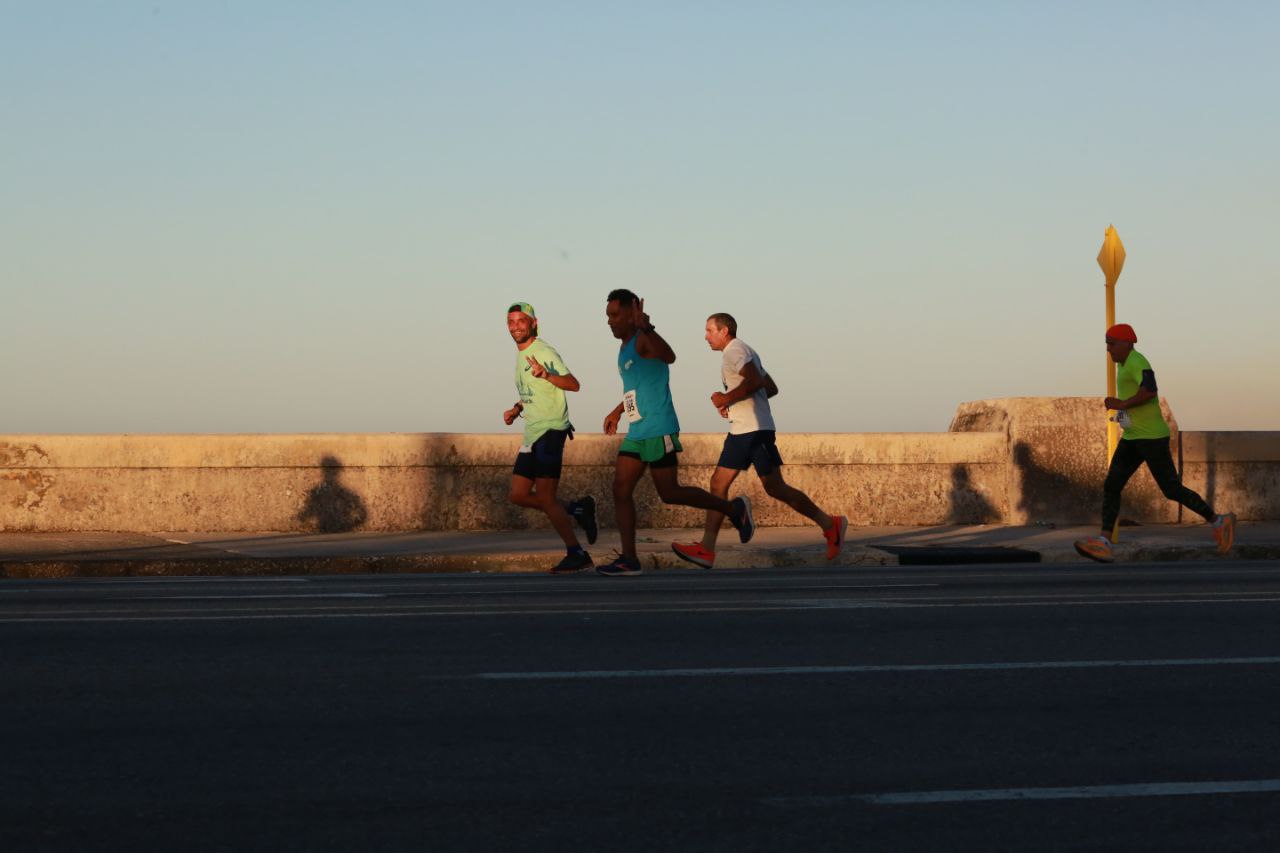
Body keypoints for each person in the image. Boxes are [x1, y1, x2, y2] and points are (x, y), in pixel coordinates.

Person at [671, 313, 847, 568]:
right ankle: (707, 549)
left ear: (725, 330)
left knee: (749, 486)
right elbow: (770, 388)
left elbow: (755, 382)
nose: (705, 336)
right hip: (747, 428)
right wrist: (734, 405)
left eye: (710, 330)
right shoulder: (746, 351)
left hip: (752, 431)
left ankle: (831, 525)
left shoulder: (734, 351)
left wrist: (727, 399)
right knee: (741, 485)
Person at [598, 290, 755, 576]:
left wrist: (647, 327)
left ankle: (734, 510)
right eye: (608, 315)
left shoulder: (644, 338)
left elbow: (669, 356)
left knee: (670, 492)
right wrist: (618, 410)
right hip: (637, 431)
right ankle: (629, 559)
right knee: (620, 489)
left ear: (631, 315)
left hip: (659, 428)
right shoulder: (624, 348)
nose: (609, 321)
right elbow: (638, 386)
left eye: (615, 315)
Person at [1074, 323, 1235, 563]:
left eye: (1112, 344)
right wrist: (1123, 417)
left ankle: (1220, 522)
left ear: (1127, 344)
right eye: (1107, 345)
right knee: (1112, 485)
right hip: (1132, 438)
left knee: (1171, 490)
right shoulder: (1123, 365)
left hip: (1152, 439)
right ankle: (1104, 543)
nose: (1108, 350)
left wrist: (1122, 404)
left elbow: (1149, 391)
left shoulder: (1138, 361)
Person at [503, 301, 598, 573]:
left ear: (534, 323)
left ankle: (576, 553)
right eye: (511, 322)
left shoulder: (543, 351)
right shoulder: (521, 355)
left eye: (521, 321)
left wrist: (547, 373)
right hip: (532, 432)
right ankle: (577, 510)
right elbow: (532, 391)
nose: (515, 326)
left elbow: (573, 384)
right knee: (518, 495)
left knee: (546, 498)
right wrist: (517, 409)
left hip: (551, 431)